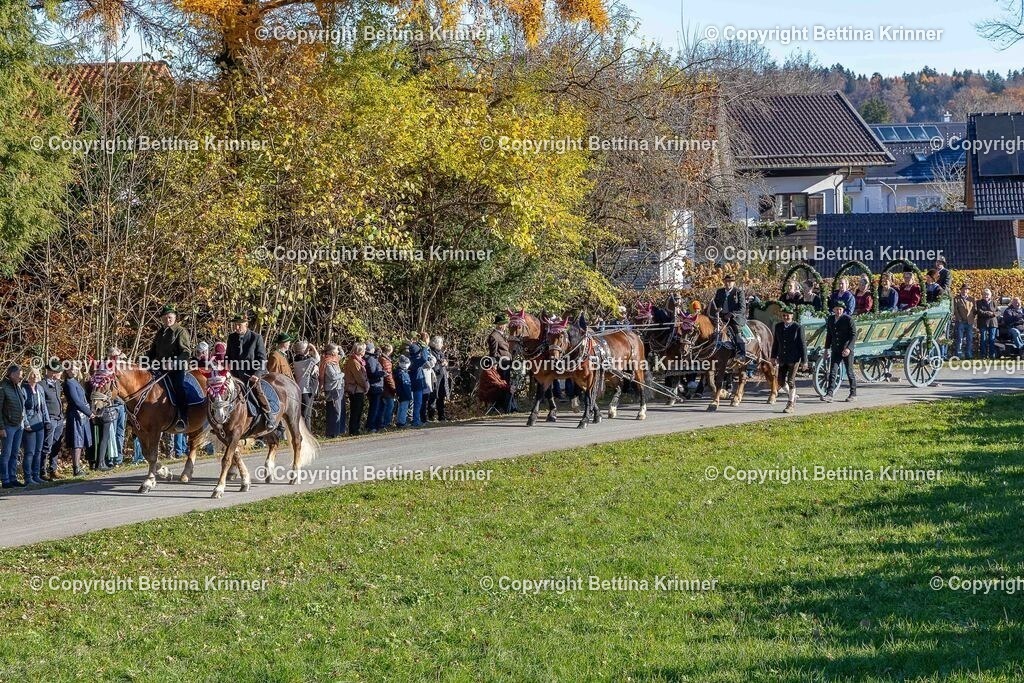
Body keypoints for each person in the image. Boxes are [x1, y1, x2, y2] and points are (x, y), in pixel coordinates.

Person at [144, 304, 193, 430]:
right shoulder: (160, 332)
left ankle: (183, 418)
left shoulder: (180, 331)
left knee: (179, 388)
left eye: (170, 317)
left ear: (175, 317)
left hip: (176, 368)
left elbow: (186, 352)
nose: (168, 319)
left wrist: (174, 363)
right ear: (162, 319)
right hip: (159, 368)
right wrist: (141, 362)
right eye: (165, 317)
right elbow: (152, 352)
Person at [226, 314, 275, 427]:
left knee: (257, 390)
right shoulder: (231, 337)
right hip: (235, 374)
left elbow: (262, 359)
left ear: (246, 324)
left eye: (239, 325)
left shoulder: (256, 337)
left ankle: (268, 415)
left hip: (251, 374)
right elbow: (228, 357)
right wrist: (226, 367)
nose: (236, 327)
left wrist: (256, 374)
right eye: (235, 325)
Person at [770, 307, 807, 414]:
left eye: (788, 315)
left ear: (792, 316)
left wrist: (804, 361)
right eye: (784, 315)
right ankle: (793, 395)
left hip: (794, 358)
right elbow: (776, 343)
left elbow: (802, 344)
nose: (786, 317)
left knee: (791, 380)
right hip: (782, 357)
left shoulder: (798, 327)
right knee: (780, 381)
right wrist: (773, 356)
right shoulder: (778, 326)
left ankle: (790, 404)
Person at [708, 273, 748, 359]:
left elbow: (742, 308)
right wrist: (717, 309)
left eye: (730, 281)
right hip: (721, 317)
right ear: (724, 282)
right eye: (726, 281)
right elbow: (715, 304)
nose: (728, 283)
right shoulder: (720, 292)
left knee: (737, 332)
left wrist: (731, 314)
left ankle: (741, 352)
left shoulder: (738, 292)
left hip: (735, 318)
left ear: (734, 282)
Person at [823, 303, 857, 402]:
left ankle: (853, 394)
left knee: (849, 371)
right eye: (837, 309)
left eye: (840, 309)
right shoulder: (831, 319)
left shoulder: (848, 319)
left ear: (843, 310)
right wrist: (826, 348)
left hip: (846, 349)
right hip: (836, 349)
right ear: (833, 310)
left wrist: (849, 348)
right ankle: (829, 394)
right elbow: (829, 335)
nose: (838, 311)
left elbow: (853, 335)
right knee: (833, 371)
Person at [63, 365, 92, 477]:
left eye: (76, 368)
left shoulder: (76, 382)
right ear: (67, 370)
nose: (74, 370)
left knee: (80, 442)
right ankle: (76, 469)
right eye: (72, 368)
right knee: (77, 442)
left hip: (81, 414)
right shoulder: (69, 383)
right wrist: (89, 412)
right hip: (75, 415)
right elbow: (76, 401)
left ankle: (78, 467)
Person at [0, 365, 26, 487]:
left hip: (18, 425)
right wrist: (1, 428)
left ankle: (13, 477)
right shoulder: (3, 387)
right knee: (6, 453)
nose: (21, 377)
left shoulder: (17, 387)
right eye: (19, 375)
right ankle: (5, 479)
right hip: (8, 426)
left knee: (15, 453)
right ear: (11, 374)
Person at [41, 359, 65, 480]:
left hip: (59, 418)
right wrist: (47, 419)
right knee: (47, 445)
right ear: (52, 372)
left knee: (56, 444)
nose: (61, 374)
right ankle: (42, 471)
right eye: (59, 372)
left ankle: (53, 469)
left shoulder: (57, 384)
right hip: (49, 419)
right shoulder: (42, 385)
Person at [487, 314, 514, 413]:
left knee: (506, 384)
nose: (505, 326)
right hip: (501, 365)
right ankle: (502, 406)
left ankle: (507, 406)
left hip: (507, 363)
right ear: (500, 325)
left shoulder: (501, 335)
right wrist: (496, 364)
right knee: (502, 385)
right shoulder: (494, 336)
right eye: (504, 324)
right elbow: (493, 354)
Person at [291, 341, 320, 427]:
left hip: (306, 389)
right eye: (307, 348)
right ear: (302, 350)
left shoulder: (299, 359)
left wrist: (315, 367)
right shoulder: (302, 360)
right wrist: (312, 346)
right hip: (305, 390)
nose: (308, 350)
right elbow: (317, 358)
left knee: (308, 415)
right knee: (305, 414)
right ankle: (303, 431)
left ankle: (308, 432)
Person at [320, 343, 345, 438]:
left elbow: (342, 355)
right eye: (336, 350)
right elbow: (333, 376)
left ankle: (336, 432)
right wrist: (342, 374)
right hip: (332, 389)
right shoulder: (328, 362)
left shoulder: (335, 359)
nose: (338, 352)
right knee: (334, 411)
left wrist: (339, 347)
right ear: (331, 352)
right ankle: (333, 433)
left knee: (337, 410)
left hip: (338, 388)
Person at [343, 343, 368, 436]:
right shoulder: (354, 361)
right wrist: (366, 385)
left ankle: (356, 428)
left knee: (358, 409)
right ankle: (353, 430)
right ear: (360, 351)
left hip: (359, 389)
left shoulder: (358, 361)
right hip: (356, 389)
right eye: (363, 350)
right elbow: (359, 377)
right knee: (355, 410)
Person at [364, 343, 385, 433]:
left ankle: (377, 424)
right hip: (375, 386)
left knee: (378, 406)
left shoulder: (370, 358)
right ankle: (371, 425)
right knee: (374, 407)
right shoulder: (371, 359)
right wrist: (382, 373)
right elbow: (372, 373)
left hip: (376, 385)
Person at [429, 335, 450, 422]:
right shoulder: (430, 351)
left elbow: (444, 360)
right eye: (441, 343)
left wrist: (445, 362)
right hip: (435, 378)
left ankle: (442, 416)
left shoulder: (440, 352)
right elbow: (432, 365)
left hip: (442, 377)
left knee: (441, 396)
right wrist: (440, 364)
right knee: (433, 397)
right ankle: (431, 416)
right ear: (436, 344)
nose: (442, 345)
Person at [952, 284, 975, 360]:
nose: (965, 290)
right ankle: (958, 354)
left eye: (967, 289)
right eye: (964, 289)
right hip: (960, 322)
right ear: (961, 290)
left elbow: (974, 310)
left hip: (969, 322)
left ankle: (969, 354)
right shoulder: (956, 299)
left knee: (969, 339)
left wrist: (972, 318)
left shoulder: (972, 299)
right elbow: (955, 310)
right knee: (959, 338)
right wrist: (959, 318)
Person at [377, 344, 396, 431]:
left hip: (382, 386)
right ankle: (385, 423)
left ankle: (381, 423)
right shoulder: (385, 361)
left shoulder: (380, 359)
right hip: (386, 388)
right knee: (389, 405)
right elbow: (388, 376)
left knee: (382, 406)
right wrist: (393, 388)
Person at [976, 288, 999, 359]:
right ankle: (983, 354)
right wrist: (988, 313)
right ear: (982, 295)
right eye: (984, 294)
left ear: (990, 295)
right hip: (983, 323)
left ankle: (992, 354)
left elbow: (998, 311)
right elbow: (979, 311)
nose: (986, 296)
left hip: (993, 323)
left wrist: (993, 314)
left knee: (992, 339)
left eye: (987, 294)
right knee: (983, 338)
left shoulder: (994, 302)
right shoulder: (979, 302)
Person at [393, 355, 413, 428]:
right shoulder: (402, 373)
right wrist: (409, 396)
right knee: (403, 408)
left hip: (401, 393)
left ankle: (399, 421)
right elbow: (405, 386)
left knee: (401, 407)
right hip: (404, 394)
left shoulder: (400, 372)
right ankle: (402, 422)